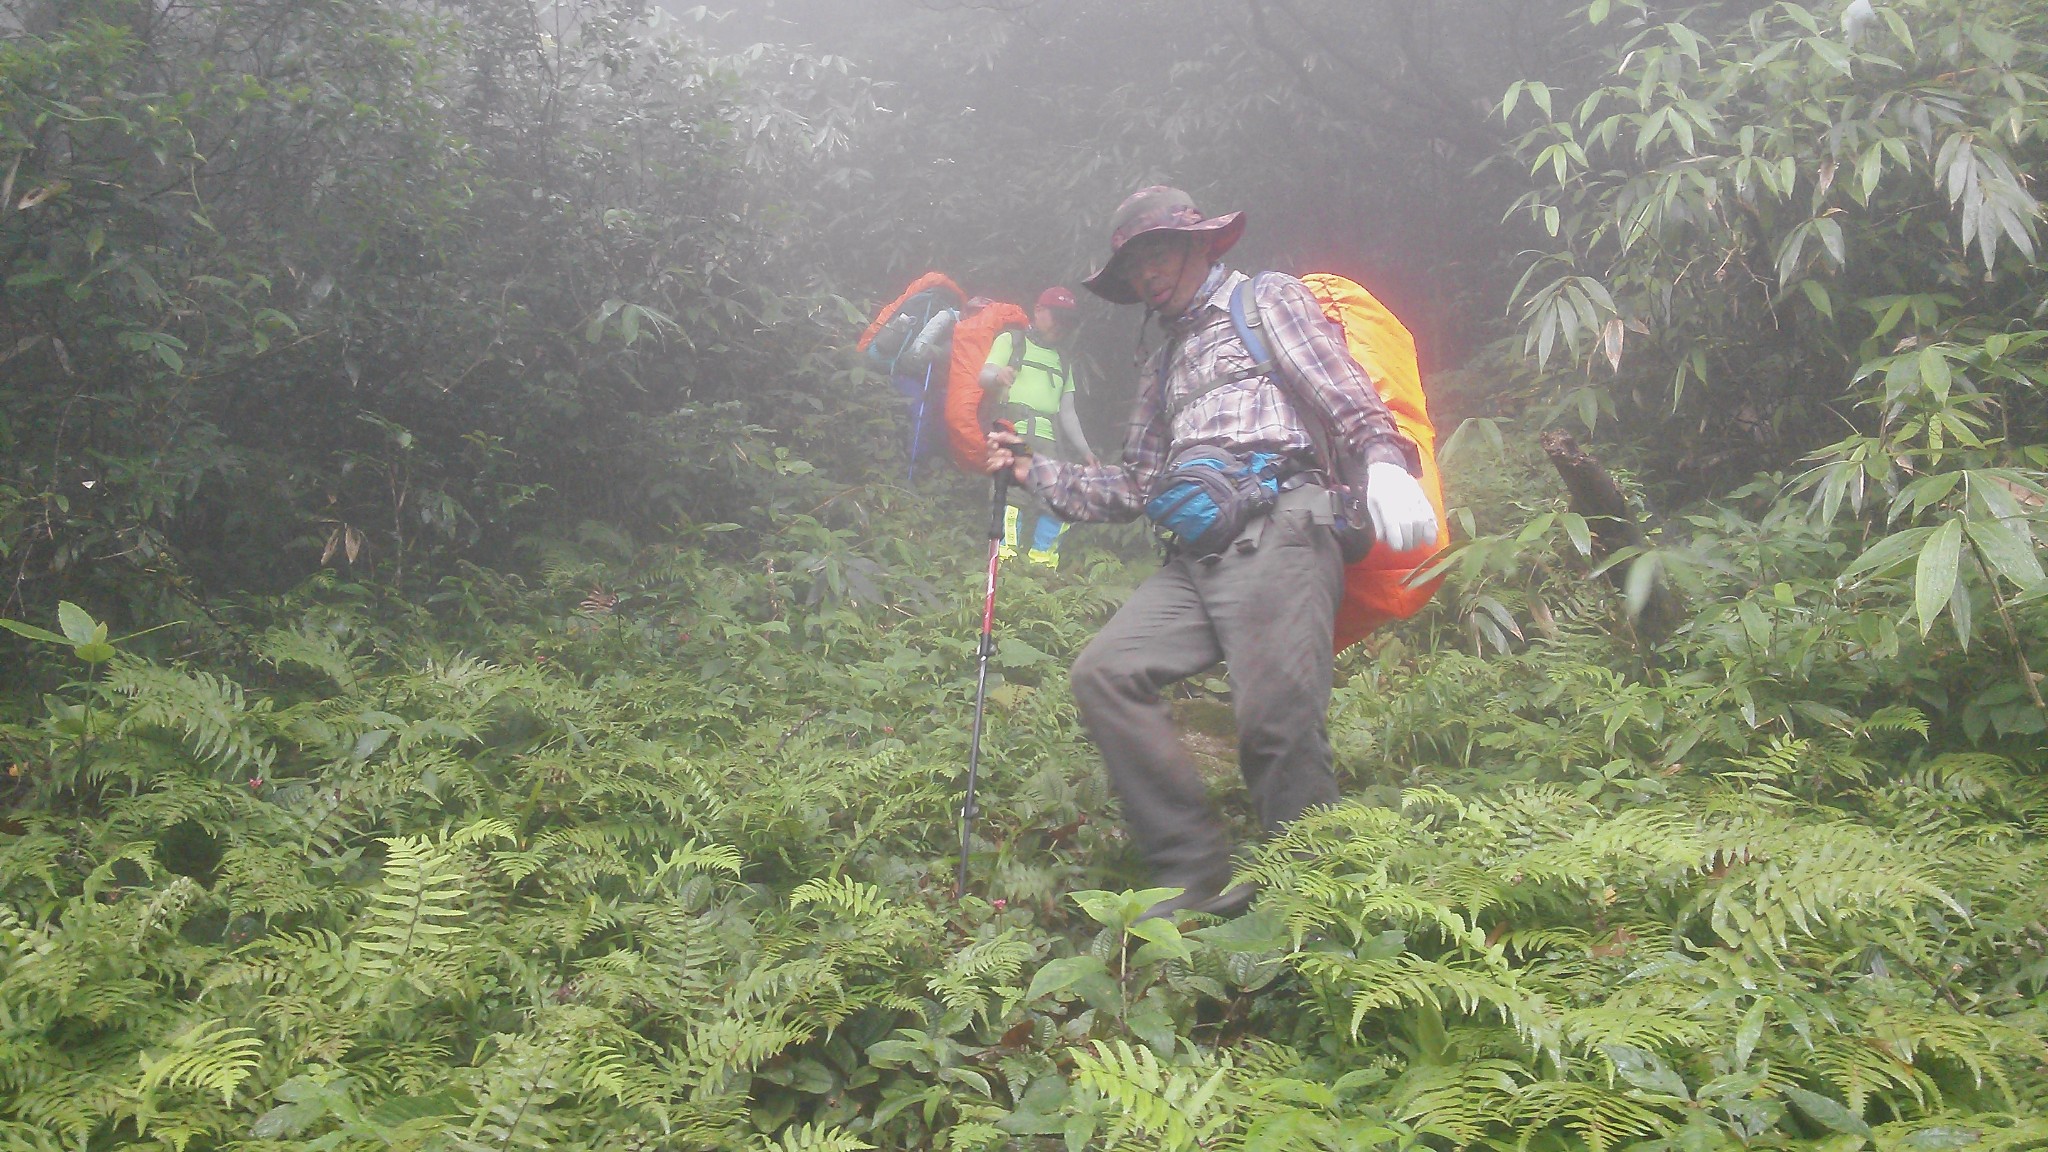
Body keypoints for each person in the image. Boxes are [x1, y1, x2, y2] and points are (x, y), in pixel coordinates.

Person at [985, 186, 1438, 919]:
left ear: (1200, 243)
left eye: (1156, 253)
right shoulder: (1162, 363)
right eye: (1131, 268)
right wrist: (1032, 471)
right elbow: (1136, 482)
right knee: (1106, 672)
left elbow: (1340, 387)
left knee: (1275, 722)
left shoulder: (1265, 301)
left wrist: (1387, 459)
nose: (1145, 276)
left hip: (1282, 527)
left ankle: (1316, 902)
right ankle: (1191, 875)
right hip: (1195, 556)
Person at [980, 287, 1096, 567]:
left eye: (1067, 320)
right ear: (1039, 311)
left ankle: (1042, 561)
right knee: (1010, 491)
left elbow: (1068, 412)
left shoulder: (1063, 360)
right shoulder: (1012, 341)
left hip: (1048, 439)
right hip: (1014, 429)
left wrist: (1086, 451)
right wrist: (998, 376)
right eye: (1056, 316)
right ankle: (1005, 559)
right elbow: (983, 376)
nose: (1061, 326)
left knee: (1056, 495)